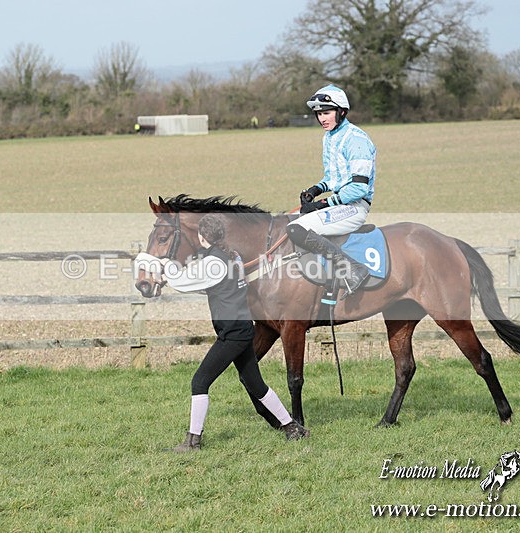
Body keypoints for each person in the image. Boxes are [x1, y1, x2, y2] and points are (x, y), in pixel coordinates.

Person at [154, 214, 309, 452]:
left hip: (232, 334)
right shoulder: (232, 256)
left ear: (202, 236)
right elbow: (208, 281)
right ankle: (292, 428)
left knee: (200, 381)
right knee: (257, 385)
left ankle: (192, 441)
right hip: (244, 328)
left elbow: (186, 282)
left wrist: (165, 270)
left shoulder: (213, 262)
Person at [286, 84, 377, 300]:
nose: (322, 118)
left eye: (326, 112)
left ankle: (354, 269)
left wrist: (324, 204)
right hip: (340, 204)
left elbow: (359, 187)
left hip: (354, 207)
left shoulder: (356, 139)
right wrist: (315, 190)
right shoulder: (330, 137)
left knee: (296, 229)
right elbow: (333, 178)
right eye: (318, 114)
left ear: (342, 112)